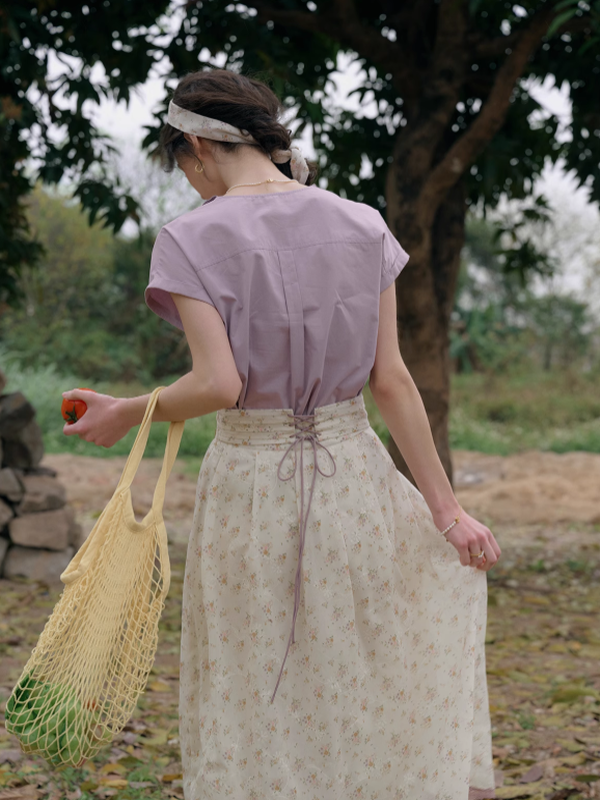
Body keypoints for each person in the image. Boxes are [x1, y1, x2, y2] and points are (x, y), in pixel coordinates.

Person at [62, 68, 500, 800]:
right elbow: (389, 380)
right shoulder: (363, 223)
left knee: (252, 688)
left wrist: (122, 409)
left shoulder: (189, 237)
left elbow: (219, 386)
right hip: (354, 478)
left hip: (250, 490)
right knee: (357, 675)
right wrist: (446, 513)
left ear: (197, 146)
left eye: (184, 166)